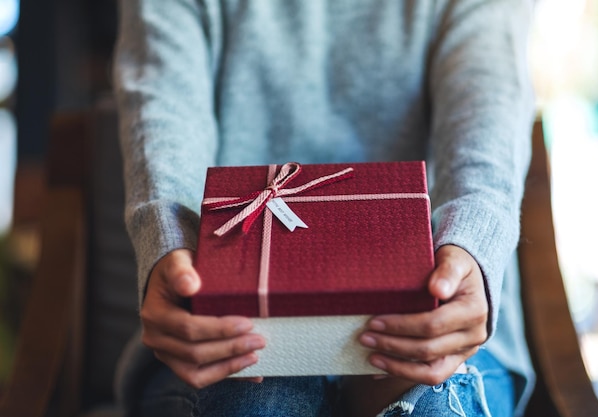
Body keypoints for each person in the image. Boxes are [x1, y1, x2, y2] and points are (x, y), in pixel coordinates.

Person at [113, 1, 536, 416]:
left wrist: (472, 247)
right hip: (219, 325)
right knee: (256, 405)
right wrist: (171, 247)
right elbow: (163, 107)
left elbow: (488, 102)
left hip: (436, 320)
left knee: (429, 408)